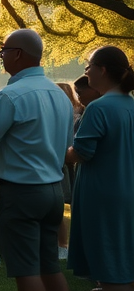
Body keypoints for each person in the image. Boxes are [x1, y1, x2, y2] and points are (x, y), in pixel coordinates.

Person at [0, 28, 72, 291]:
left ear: (17, 54)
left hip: (21, 192)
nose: (1, 56)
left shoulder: (10, 95)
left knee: (26, 270)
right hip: (53, 190)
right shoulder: (59, 94)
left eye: (3, 51)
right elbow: (67, 146)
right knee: (49, 267)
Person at [67, 46, 134, 291]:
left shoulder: (98, 107)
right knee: (125, 260)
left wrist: (57, 152)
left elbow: (81, 153)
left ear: (102, 70)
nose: (86, 71)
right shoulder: (130, 104)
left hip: (103, 195)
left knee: (109, 266)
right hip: (126, 190)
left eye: (89, 66)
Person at [55, 82, 80, 261]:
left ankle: (64, 244)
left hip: (67, 161)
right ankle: (62, 244)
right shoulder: (68, 111)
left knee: (63, 205)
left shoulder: (76, 112)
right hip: (64, 160)